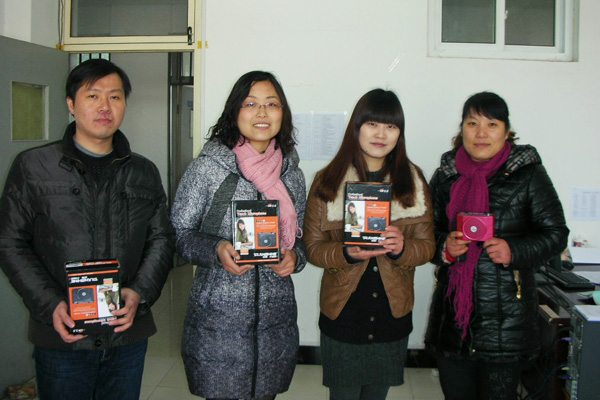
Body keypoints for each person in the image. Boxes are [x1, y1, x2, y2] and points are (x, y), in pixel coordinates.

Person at [0, 58, 175, 400]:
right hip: (63, 335)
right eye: (93, 96)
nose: (105, 106)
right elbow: (10, 241)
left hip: (126, 334)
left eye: (115, 96)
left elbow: (161, 239)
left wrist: (140, 292)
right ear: (71, 104)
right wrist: (50, 304)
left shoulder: (143, 171)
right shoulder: (34, 166)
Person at [424, 92, 569, 400]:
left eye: (492, 124)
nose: (481, 133)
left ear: (506, 131)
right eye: (472, 123)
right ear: (462, 128)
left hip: (507, 323)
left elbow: (556, 233)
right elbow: (426, 233)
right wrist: (444, 247)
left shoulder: (528, 173)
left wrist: (514, 251)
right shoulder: (447, 174)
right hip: (453, 321)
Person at [171, 70, 306, 400]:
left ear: (283, 113)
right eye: (251, 103)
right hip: (218, 320)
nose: (262, 112)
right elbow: (179, 233)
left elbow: (301, 237)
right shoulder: (208, 168)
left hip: (274, 319)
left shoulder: (292, 174)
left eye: (271, 104)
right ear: (235, 111)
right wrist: (216, 250)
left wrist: (296, 257)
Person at [303, 89, 435, 400]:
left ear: (400, 133)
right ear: (357, 127)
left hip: (392, 312)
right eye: (372, 124)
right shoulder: (328, 181)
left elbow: (427, 246)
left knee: (377, 395)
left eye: (391, 126)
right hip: (343, 312)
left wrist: (403, 247)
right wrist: (345, 253)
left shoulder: (413, 180)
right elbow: (313, 248)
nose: (381, 134)